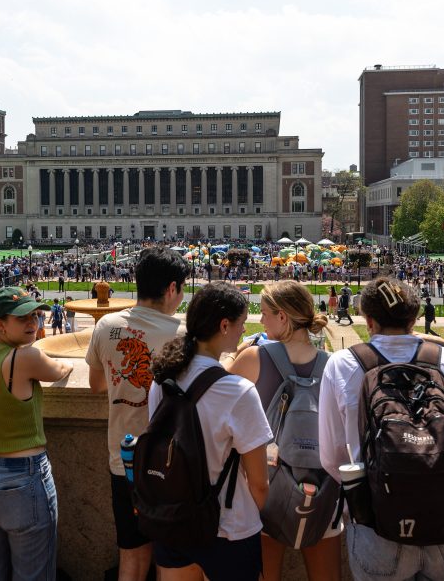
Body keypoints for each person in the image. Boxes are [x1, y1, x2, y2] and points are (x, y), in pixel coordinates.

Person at [319, 277, 444, 581]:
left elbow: (333, 458)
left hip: (378, 520)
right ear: (414, 319)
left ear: (368, 320)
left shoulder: (342, 364)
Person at [148, 282, 272, 580]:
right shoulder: (238, 391)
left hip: (173, 518)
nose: (244, 331)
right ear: (224, 325)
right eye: (241, 324)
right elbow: (259, 483)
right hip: (228, 525)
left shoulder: (162, 380)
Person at [222, 281, 340, 580]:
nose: (260, 321)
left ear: (283, 317)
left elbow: (213, 399)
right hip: (321, 485)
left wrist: (233, 355)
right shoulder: (333, 365)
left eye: (264, 313)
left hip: (265, 484)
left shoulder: (253, 358)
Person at [86, 247, 190, 581]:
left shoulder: (106, 325)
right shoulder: (182, 336)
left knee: (131, 557)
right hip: (169, 466)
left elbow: (96, 385)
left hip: (123, 459)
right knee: (170, 561)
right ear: (172, 288)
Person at [0, 287, 73, 580]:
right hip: (23, 480)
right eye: (23, 318)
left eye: (35, 315)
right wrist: (68, 362)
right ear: (0, 324)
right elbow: (60, 368)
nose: (33, 322)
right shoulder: (25, 357)